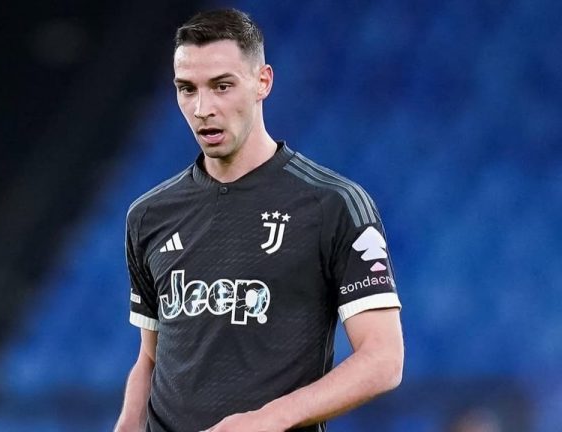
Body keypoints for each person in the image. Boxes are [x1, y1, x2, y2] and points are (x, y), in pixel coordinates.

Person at [115, 8, 404, 432]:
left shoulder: (333, 205)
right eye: (187, 89)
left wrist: (269, 420)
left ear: (262, 82)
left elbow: (383, 360)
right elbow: (152, 356)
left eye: (222, 86)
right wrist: (126, 425)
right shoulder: (148, 215)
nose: (202, 108)